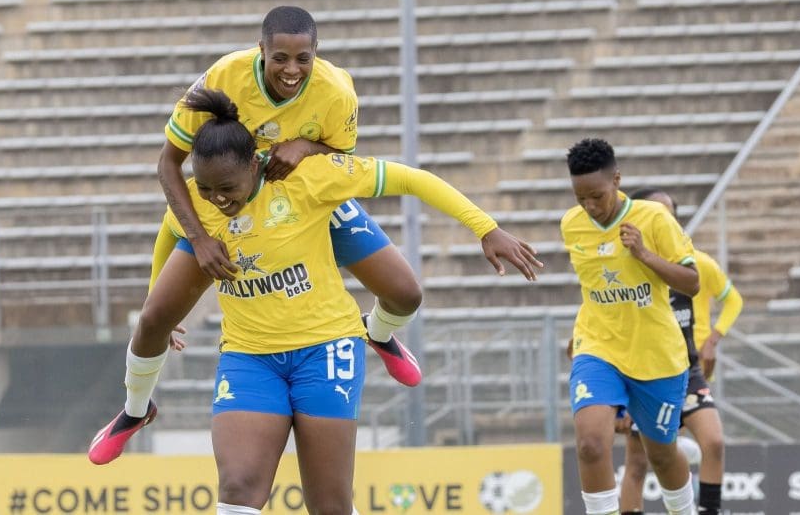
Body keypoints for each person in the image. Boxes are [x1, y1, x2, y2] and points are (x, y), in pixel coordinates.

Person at [89, 89, 542, 514]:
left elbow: (413, 178)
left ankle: (378, 333)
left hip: (325, 348)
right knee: (237, 487)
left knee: (329, 503)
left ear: (256, 164)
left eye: (226, 187)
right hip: (250, 356)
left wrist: (486, 228)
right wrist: (162, 294)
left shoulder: (310, 175)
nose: (217, 200)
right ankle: (134, 411)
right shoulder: (199, 202)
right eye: (206, 190)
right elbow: (170, 230)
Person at [153, 5, 434, 391]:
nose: (291, 70)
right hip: (238, 205)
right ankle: (135, 409)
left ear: (316, 54)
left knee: (406, 294)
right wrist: (199, 238)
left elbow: (340, 159)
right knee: (155, 317)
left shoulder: (335, 91)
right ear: (261, 51)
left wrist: (304, 146)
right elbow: (168, 164)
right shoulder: (223, 77)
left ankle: (378, 333)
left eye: (303, 59)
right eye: (279, 58)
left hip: (306, 199)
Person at [562, 138, 699, 515]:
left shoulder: (654, 219)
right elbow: (595, 289)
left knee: (662, 455)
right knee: (590, 443)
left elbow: (692, 282)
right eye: (581, 199)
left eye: (597, 196)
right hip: (598, 348)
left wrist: (643, 254)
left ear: (617, 180)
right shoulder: (571, 226)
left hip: (656, 356)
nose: (590, 207)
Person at [616, 188, 743, 515]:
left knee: (713, 442)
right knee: (639, 463)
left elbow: (732, 299)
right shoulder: (624, 268)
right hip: (644, 375)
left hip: (688, 369)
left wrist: (713, 339)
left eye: (670, 215)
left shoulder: (693, 264)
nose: (664, 220)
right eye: (657, 213)